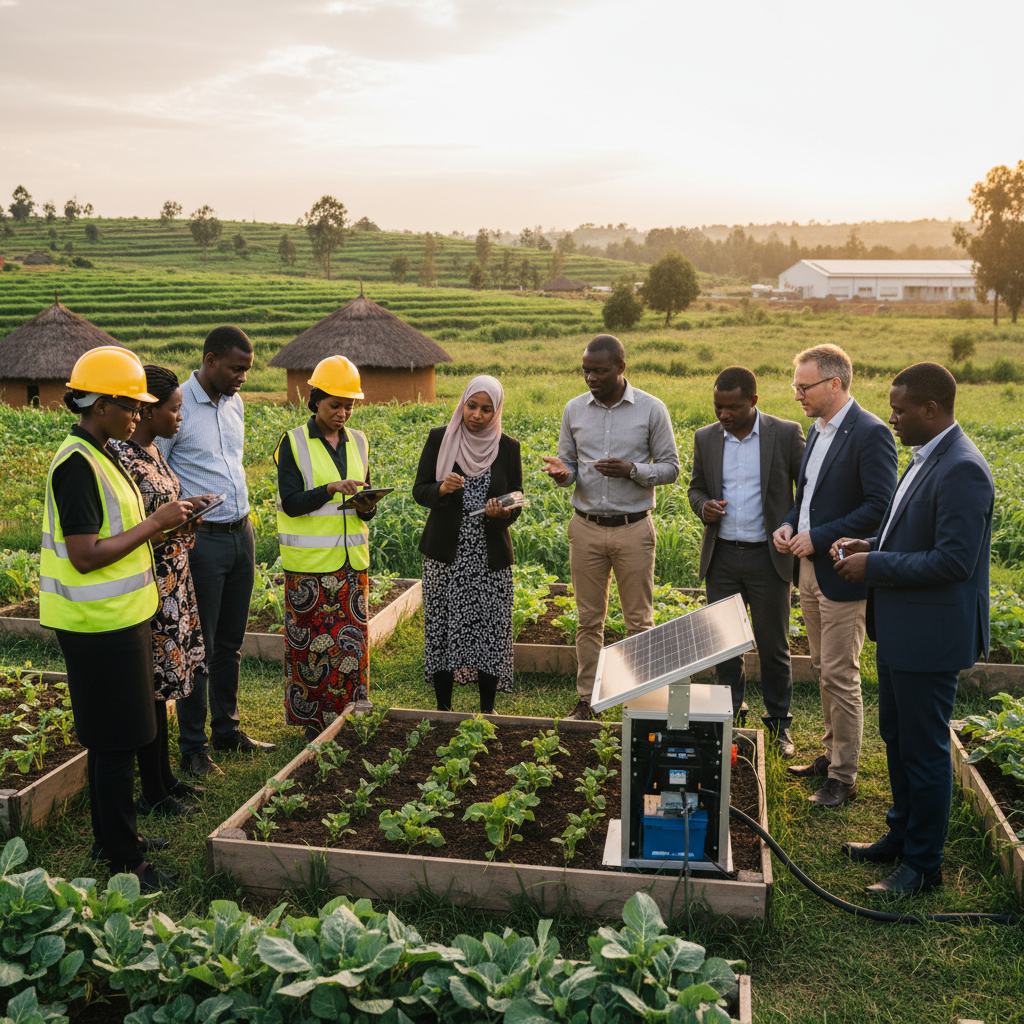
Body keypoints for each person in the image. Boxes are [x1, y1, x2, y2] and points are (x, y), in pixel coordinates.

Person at [832, 362, 993, 896]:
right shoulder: (928, 457)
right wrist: (870, 546)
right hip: (902, 631)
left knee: (924, 753)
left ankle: (923, 865)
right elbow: (911, 535)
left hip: (929, 638)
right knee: (898, 738)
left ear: (932, 409)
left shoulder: (962, 468)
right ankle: (901, 835)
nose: (893, 418)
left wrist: (873, 568)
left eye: (901, 410)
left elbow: (953, 561)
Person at [40, 346, 193, 890]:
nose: (137, 414)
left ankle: (115, 837)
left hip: (120, 616)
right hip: (96, 624)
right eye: (129, 405)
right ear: (100, 404)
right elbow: (85, 554)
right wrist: (156, 524)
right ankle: (126, 862)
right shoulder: (78, 464)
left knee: (118, 738)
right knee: (115, 742)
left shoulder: (102, 452)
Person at [772, 344, 897, 807]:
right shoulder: (817, 429)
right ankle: (830, 754)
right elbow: (805, 498)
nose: (797, 394)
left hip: (843, 571)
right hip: (808, 569)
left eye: (804, 387)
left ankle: (843, 776)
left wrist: (819, 535)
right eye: (795, 386)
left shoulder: (871, 433)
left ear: (835, 384)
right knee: (823, 668)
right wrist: (789, 523)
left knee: (842, 674)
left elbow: (879, 509)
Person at [156, 325, 275, 777]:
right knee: (197, 645)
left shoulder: (235, 403)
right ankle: (194, 747)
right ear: (209, 360)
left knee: (229, 642)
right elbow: (157, 471)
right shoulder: (177, 407)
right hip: (200, 539)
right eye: (236, 367)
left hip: (240, 534)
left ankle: (227, 729)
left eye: (247, 368)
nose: (243, 376)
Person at [542, 335, 680, 721]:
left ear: (621, 367)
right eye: (586, 370)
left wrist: (632, 471)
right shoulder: (574, 410)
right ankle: (587, 700)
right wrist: (561, 474)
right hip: (585, 527)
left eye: (599, 370)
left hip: (632, 528)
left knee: (639, 620)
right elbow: (568, 467)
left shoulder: (651, 409)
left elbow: (671, 468)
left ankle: (644, 704)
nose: (590, 377)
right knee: (588, 620)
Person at [688, 366, 805, 755]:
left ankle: (779, 724)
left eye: (733, 407)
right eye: (718, 406)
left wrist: (792, 529)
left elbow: (805, 490)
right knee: (725, 646)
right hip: (722, 557)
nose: (724, 414)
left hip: (768, 558)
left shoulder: (784, 434)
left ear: (753, 401)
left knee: (773, 645)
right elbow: (696, 489)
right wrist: (703, 507)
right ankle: (730, 718)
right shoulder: (706, 438)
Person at [110, 364, 210, 819]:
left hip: (173, 578)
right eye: (173, 409)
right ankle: (153, 789)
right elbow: (130, 528)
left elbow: (162, 513)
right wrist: (168, 522)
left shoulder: (151, 452)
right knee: (152, 686)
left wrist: (189, 512)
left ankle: (165, 778)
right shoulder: (123, 458)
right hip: (150, 583)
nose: (180, 417)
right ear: (148, 411)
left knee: (164, 686)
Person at [275, 356, 381, 737]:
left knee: (352, 646)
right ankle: (312, 723)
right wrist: (330, 490)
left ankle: (350, 715)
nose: (343, 412)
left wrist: (366, 505)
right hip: (310, 567)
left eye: (350, 405)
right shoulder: (292, 442)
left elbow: (362, 505)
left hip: (351, 564)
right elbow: (291, 502)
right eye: (335, 404)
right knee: (312, 648)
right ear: (315, 399)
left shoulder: (360, 441)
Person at [413, 375, 522, 714]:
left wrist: (499, 513)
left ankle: (487, 709)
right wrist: (442, 490)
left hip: (488, 557)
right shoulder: (440, 439)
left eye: (486, 409)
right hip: (446, 556)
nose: (477, 415)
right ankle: (443, 709)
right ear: (462, 404)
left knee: (489, 629)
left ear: (497, 411)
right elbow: (420, 490)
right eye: (472, 406)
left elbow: (516, 502)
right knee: (445, 629)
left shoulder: (508, 447)